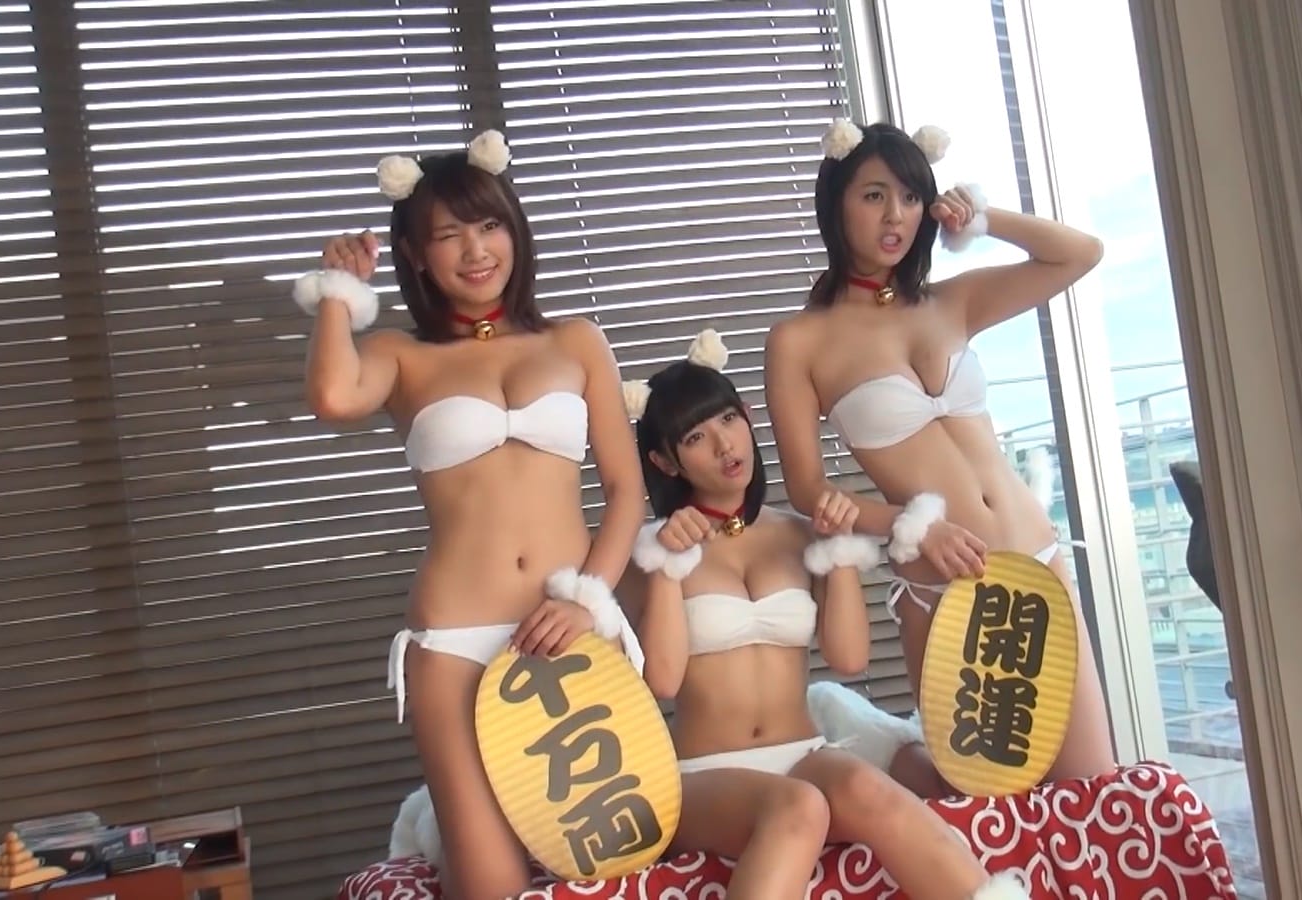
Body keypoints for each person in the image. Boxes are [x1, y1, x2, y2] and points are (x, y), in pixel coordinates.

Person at [297, 130, 647, 900]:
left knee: (604, 868)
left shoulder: (575, 341)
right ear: (416, 255)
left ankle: (446, 831)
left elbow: (626, 490)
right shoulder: (403, 356)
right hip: (456, 639)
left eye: (489, 226)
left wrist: (587, 599)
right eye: (449, 234)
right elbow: (331, 396)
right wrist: (337, 294)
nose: (476, 249)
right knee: (491, 883)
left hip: (570, 629)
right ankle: (449, 835)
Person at [764, 119, 1115, 798]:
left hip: (1036, 564)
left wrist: (982, 216)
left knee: (1092, 793)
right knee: (987, 811)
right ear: (837, 203)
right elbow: (809, 489)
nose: (895, 215)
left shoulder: (951, 301)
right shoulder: (800, 341)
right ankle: (894, 756)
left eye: (909, 196)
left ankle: (888, 747)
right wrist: (914, 524)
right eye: (873, 196)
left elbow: (1080, 254)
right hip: (943, 586)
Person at [618, 333, 1026, 900]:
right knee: (801, 807)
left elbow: (849, 657)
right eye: (695, 437)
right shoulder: (649, 551)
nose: (724, 444)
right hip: (703, 774)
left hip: (802, 754)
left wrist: (837, 549)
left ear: (747, 416)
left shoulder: (797, 533)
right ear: (665, 461)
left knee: (869, 789)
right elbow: (662, 681)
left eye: (729, 420)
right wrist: (668, 563)